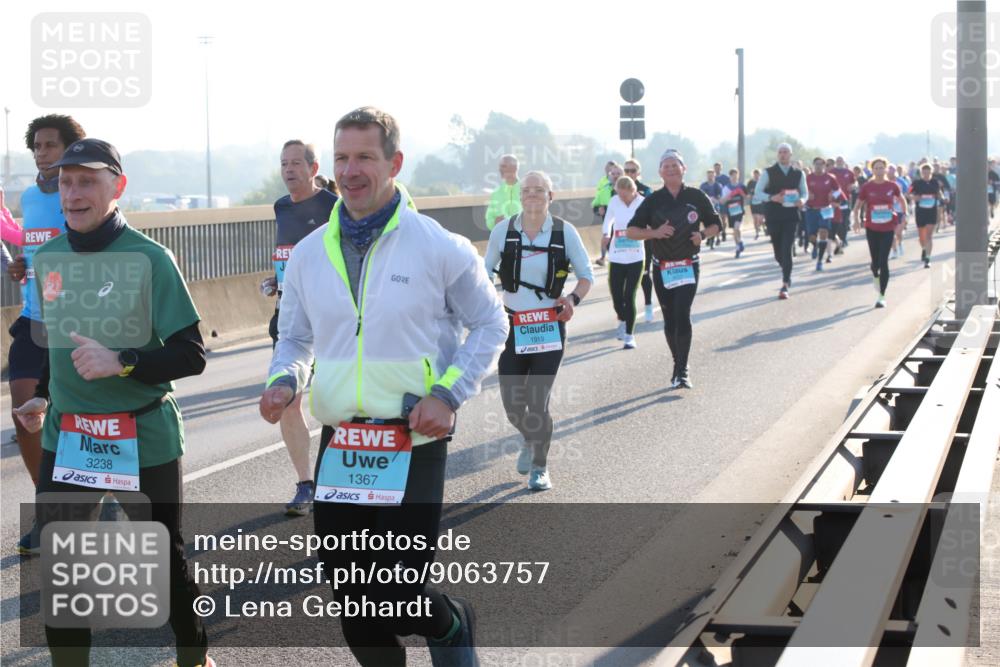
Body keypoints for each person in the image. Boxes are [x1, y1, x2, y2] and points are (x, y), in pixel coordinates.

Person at [259, 107, 507, 666]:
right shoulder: (307, 255)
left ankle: (449, 623)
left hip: (412, 438)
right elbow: (295, 339)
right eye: (342, 157)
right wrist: (283, 380)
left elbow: (493, 323)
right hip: (342, 442)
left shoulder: (438, 246)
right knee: (353, 602)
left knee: (395, 595)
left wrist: (448, 395)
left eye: (365, 157)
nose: (351, 170)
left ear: (394, 162)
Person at [12, 138, 214, 667]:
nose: (73, 193)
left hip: (141, 434)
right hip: (71, 435)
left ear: (117, 187)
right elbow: (63, 343)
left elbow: (191, 355)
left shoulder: (151, 258)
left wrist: (122, 360)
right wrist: (43, 397)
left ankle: (194, 658)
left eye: (87, 181)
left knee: (161, 560)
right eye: (65, 182)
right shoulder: (50, 257)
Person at [7, 114, 86, 555]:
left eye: (50, 145)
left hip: (75, 320)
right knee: (25, 412)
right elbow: (32, 250)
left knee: (74, 418)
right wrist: (21, 264)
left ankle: (93, 494)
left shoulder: (80, 192)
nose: (41, 152)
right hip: (34, 317)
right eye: (36, 145)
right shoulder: (28, 197)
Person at [486, 170, 593, 489]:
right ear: (520, 196)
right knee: (512, 404)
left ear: (551, 196)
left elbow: (587, 275)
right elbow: (484, 274)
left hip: (549, 326)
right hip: (513, 327)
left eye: (539, 190)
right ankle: (530, 438)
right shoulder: (503, 231)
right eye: (526, 190)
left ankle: (540, 468)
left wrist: (573, 298)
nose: (532, 195)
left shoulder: (564, 231)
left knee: (537, 401)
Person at [261, 139, 339, 516]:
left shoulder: (333, 207)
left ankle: (341, 477)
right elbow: (287, 261)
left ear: (313, 166)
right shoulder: (279, 207)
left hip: (329, 319)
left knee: (334, 400)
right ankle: (305, 484)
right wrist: (274, 282)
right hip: (289, 317)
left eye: (295, 163)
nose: (288, 169)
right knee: (289, 400)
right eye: (283, 163)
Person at [626, 149, 721, 389]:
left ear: (683, 169)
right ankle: (677, 363)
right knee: (669, 318)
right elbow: (631, 231)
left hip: (688, 265)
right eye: (665, 166)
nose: (670, 169)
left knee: (682, 313)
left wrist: (702, 234)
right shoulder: (654, 200)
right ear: (660, 172)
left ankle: (683, 369)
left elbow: (716, 224)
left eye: (674, 165)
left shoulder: (696, 196)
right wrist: (654, 233)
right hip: (662, 267)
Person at [752, 143, 808, 299]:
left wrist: (802, 200)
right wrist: (771, 197)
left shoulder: (798, 173)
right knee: (778, 253)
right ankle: (786, 270)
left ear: (790, 155)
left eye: (786, 152)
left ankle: (785, 283)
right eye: (780, 152)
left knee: (787, 248)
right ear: (777, 155)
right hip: (774, 216)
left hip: (791, 215)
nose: (783, 155)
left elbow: (804, 192)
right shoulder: (768, 172)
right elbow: (758, 192)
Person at [853, 157, 906, 308]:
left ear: (886, 169)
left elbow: (902, 200)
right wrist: (857, 220)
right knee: (875, 263)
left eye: (881, 168)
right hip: (872, 227)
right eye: (876, 168)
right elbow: (857, 206)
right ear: (872, 170)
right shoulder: (867, 187)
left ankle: (882, 295)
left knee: (884, 261)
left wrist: (904, 215)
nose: (879, 170)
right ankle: (875, 274)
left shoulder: (892, 185)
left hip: (888, 227)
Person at [601, 175, 645, 348]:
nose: (622, 198)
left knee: (630, 295)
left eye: (624, 195)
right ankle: (622, 320)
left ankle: (629, 335)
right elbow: (608, 221)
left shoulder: (642, 202)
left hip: (636, 256)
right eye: (619, 194)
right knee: (617, 296)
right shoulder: (614, 201)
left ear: (632, 191)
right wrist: (605, 234)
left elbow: (649, 223)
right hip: (617, 255)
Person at [624, 159, 656, 323]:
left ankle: (649, 305)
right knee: (625, 276)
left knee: (644, 274)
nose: (629, 173)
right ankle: (626, 312)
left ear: (638, 173)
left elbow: (654, 211)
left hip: (643, 238)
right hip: (624, 239)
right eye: (627, 170)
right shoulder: (618, 192)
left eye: (633, 171)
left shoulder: (646, 191)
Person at [804, 157, 843, 271]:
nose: (819, 166)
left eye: (821, 164)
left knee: (824, 232)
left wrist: (834, 198)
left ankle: (820, 261)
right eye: (816, 164)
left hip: (826, 209)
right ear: (813, 165)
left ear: (825, 166)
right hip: (811, 209)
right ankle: (815, 246)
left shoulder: (830, 178)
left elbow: (838, 191)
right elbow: (801, 192)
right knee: (811, 236)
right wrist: (807, 196)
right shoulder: (808, 178)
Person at [910, 163, 941, 268]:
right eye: (924, 172)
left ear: (931, 172)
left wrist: (941, 197)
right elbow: (908, 194)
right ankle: (924, 248)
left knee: (929, 235)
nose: (926, 174)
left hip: (931, 211)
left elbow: (938, 192)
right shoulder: (916, 183)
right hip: (920, 211)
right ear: (921, 172)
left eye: (928, 172)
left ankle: (927, 258)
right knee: (921, 237)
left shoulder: (935, 182)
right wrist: (915, 198)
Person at [593, 162, 622, 266]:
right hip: (609, 227)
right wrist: (598, 209)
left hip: (625, 230)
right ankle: (604, 258)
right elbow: (595, 204)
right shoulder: (604, 189)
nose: (615, 176)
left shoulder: (630, 189)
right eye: (613, 173)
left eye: (618, 173)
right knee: (608, 243)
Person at [485, 154, 522, 231]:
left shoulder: (527, 190)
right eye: (500, 166)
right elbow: (489, 219)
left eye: (504, 166)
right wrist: (495, 222)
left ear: (515, 168)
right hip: (502, 239)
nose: (500, 169)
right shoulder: (496, 193)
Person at [829, 156, 857, 250]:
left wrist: (852, 186)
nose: (839, 162)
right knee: (837, 221)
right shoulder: (831, 172)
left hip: (845, 199)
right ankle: (838, 238)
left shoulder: (849, 172)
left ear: (844, 162)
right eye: (838, 161)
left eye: (841, 161)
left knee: (844, 221)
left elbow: (854, 183)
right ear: (836, 162)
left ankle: (844, 239)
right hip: (834, 200)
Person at [719, 168, 748, 258]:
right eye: (732, 176)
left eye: (736, 175)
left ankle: (738, 246)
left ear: (738, 176)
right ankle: (738, 244)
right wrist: (730, 195)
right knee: (735, 231)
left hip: (739, 210)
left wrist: (741, 193)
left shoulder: (742, 186)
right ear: (730, 177)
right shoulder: (726, 188)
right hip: (731, 211)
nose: (734, 177)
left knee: (736, 227)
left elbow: (747, 198)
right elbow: (722, 201)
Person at [699, 170, 724, 250]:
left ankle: (715, 239)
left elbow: (721, 197)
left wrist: (716, 199)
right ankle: (710, 238)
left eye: (712, 175)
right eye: (709, 175)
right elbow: (700, 196)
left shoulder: (718, 185)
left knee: (715, 223)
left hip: (716, 207)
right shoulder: (703, 185)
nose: (710, 177)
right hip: (705, 208)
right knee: (707, 224)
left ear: (714, 176)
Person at [747, 168, 766, 239]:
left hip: (761, 203)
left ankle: (763, 225)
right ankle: (757, 232)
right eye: (755, 174)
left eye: (757, 174)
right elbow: (748, 193)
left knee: (760, 219)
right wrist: (750, 195)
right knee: (755, 219)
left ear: (759, 175)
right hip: (753, 203)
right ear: (753, 175)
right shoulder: (750, 183)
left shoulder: (762, 182)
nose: (756, 176)